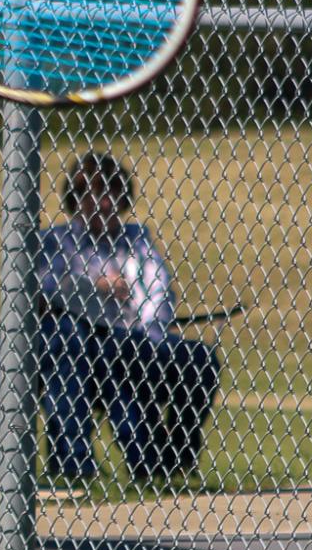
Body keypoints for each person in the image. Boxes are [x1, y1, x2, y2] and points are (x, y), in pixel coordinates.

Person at [37, 152, 221, 481]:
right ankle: (119, 462)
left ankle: (179, 451)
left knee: (201, 359)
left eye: (114, 194)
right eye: (97, 194)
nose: (107, 204)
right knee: (107, 353)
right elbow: (51, 289)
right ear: (77, 198)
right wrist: (98, 286)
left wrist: (148, 330)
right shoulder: (56, 241)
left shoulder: (135, 237)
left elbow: (159, 288)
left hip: (139, 336)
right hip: (82, 344)